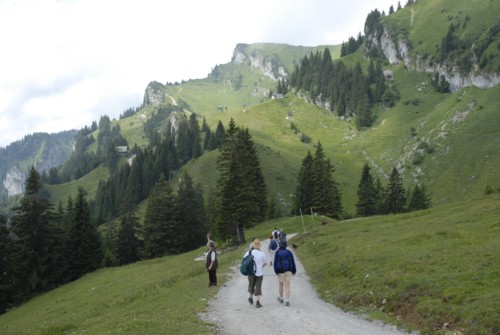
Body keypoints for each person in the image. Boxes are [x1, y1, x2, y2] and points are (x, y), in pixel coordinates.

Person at [243, 238, 267, 308]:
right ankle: (257, 302)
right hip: (259, 273)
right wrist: (261, 266)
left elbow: (244, 260)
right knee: (258, 286)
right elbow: (265, 263)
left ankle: (250, 297)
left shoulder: (249, 252)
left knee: (251, 285)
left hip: (251, 272)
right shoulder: (262, 254)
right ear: (259, 246)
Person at [274, 239, 296, 306]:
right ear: (286, 245)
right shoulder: (289, 252)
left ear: (280, 245)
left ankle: (281, 298)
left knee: (281, 285)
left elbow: (275, 263)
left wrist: (276, 271)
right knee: (287, 286)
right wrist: (294, 271)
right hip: (289, 270)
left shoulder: (277, 252)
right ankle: (287, 300)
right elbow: (293, 262)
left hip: (280, 271)